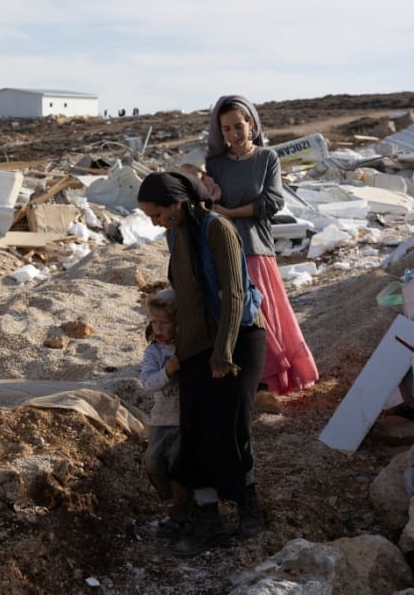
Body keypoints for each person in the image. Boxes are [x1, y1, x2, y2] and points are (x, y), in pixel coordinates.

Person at [137, 171, 267, 558]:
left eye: (157, 215)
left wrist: (223, 354)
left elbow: (233, 295)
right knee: (194, 432)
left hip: (238, 340)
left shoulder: (218, 229)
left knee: (228, 428)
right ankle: (206, 518)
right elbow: (186, 295)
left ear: (176, 204)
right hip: (198, 344)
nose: (154, 223)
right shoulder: (175, 234)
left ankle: (250, 509)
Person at [204, 95, 319, 399]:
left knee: (262, 312)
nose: (232, 134)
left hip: (255, 245)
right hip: (223, 246)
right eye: (225, 129)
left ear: (251, 124)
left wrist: (231, 212)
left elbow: (272, 202)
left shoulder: (267, 158)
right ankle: (240, 376)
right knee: (230, 311)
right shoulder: (214, 164)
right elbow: (210, 202)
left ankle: (270, 377)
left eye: (238, 126)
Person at [138, 288, 191, 539]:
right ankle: (173, 498)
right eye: (154, 322)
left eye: (165, 323)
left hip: (184, 422)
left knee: (180, 467)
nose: (158, 328)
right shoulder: (154, 352)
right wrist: (168, 372)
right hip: (161, 419)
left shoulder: (187, 347)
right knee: (154, 461)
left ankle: (181, 510)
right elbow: (147, 383)